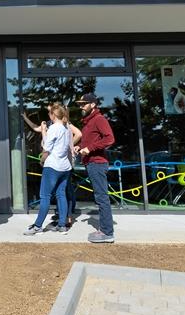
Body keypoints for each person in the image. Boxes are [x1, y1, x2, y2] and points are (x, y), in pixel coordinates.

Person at [24, 104, 74, 235]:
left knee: (45, 196)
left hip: (52, 166)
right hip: (65, 167)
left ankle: (38, 226)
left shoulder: (53, 128)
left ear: (52, 115)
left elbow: (47, 148)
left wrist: (41, 160)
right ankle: (62, 225)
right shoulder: (65, 128)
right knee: (61, 195)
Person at [74, 92, 116, 244]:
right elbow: (89, 141)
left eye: (83, 104)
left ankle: (107, 232)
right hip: (91, 163)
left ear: (93, 105)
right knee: (100, 197)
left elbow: (110, 138)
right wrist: (79, 147)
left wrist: (89, 149)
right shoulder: (88, 122)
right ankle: (105, 230)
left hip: (97, 163)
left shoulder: (99, 119)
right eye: (80, 104)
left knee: (101, 198)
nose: (81, 107)